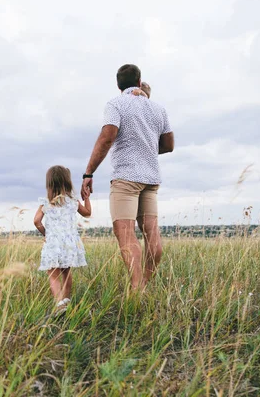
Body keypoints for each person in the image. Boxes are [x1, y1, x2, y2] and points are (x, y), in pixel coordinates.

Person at [81, 64, 174, 291]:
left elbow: (107, 138)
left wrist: (88, 172)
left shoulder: (115, 104)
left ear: (118, 84)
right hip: (151, 180)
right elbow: (168, 145)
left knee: (126, 235)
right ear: (139, 80)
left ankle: (136, 291)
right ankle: (143, 285)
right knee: (152, 234)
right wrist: (146, 148)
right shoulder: (158, 109)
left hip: (126, 178)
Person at [34, 165, 92, 311]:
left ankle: (59, 304)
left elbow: (36, 221)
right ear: (67, 182)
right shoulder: (73, 201)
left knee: (53, 274)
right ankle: (66, 301)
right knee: (66, 272)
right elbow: (87, 213)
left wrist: (46, 234)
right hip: (69, 244)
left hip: (53, 243)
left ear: (49, 183)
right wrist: (86, 198)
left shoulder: (47, 202)